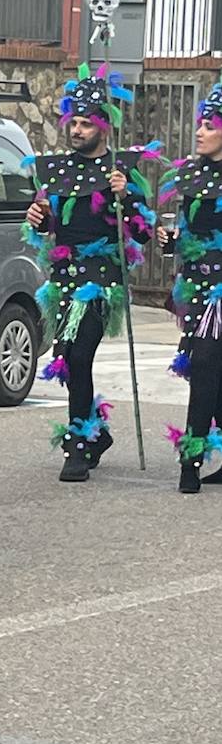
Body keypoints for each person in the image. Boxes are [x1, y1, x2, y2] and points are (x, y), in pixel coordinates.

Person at [24, 64, 154, 483]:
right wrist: (39, 219)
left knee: (79, 355)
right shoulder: (58, 173)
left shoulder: (120, 174)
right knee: (67, 361)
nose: (76, 130)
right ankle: (95, 433)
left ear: (104, 128)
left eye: (85, 124)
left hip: (100, 283)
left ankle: (78, 445)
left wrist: (124, 200)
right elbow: (49, 225)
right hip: (62, 280)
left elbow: (143, 234)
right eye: (73, 123)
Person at [160, 84, 222, 493]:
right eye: (199, 123)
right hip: (197, 287)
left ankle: (191, 461)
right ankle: (195, 460)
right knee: (207, 370)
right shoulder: (190, 174)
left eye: (208, 125)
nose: (199, 131)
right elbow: (188, 235)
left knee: (205, 368)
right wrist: (173, 243)